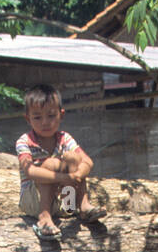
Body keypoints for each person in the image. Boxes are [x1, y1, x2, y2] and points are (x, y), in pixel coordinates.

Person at [16, 83, 105, 241]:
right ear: (27, 119)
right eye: (37, 117)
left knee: (73, 158)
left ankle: (83, 206)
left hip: (66, 204)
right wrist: (63, 178)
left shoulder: (65, 138)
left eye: (51, 116)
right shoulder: (24, 141)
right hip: (34, 203)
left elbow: (88, 162)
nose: (45, 122)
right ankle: (44, 218)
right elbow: (31, 172)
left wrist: (77, 175)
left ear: (61, 115)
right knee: (51, 164)